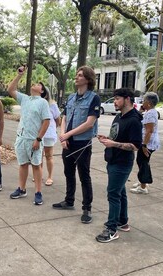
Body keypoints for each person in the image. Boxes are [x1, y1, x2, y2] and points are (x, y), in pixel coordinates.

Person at [52, 66, 101, 224]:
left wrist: (68, 134)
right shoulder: (71, 97)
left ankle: (87, 208)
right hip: (68, 141)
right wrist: (63, 135)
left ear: (88, 79)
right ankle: (69, 200)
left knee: (84, 175)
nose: (76, 77)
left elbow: (89, 123)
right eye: (77, 75)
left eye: (80, 75)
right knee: (68, 172)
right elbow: (65, 117)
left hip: (82, 142)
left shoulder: (93, 98)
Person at [96, 88, 142, 243]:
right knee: (120, 192)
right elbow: (117, 136)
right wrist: (107, 139)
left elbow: (135, 146)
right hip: (113, 159)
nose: (114, 102)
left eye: (117, 99)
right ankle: (122, 221)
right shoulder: (119, 116)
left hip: (122, 163)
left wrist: (113, 143)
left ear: (127, 99)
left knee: (113, 194)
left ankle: (112, 229)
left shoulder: (134, 120)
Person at [7, 66, 50, 205]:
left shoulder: (43, 102)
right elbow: (10, 90)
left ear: (42, 91)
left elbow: (46, 121)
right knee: (23, 164)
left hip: (34, 140)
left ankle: (38, 192)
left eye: (38, 84)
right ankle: (22, 189)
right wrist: (19, 75)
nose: (35, 84)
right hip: (21, 138)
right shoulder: (24, 99)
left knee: (36, 166)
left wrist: (38, 139)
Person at [130, 92, 160, 194]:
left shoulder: (150, 114)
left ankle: (143, 187)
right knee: (142, 162)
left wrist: (144, 145)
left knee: (142, 162)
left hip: (148, 143)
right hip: (148, 142)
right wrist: (140, 111)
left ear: (149, 103)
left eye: (144, 101)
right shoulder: (150, 112)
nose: (143, 102)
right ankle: (142, 181)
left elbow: (149, 131)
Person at [40, 88, 61, 186]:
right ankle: (38, 174)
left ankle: (50, 177)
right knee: (38, 156)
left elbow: (58, 120)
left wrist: (52, 128)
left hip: (48, 134)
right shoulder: (35, 103)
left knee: (48, 156)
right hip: (37, 133)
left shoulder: (52, 104)